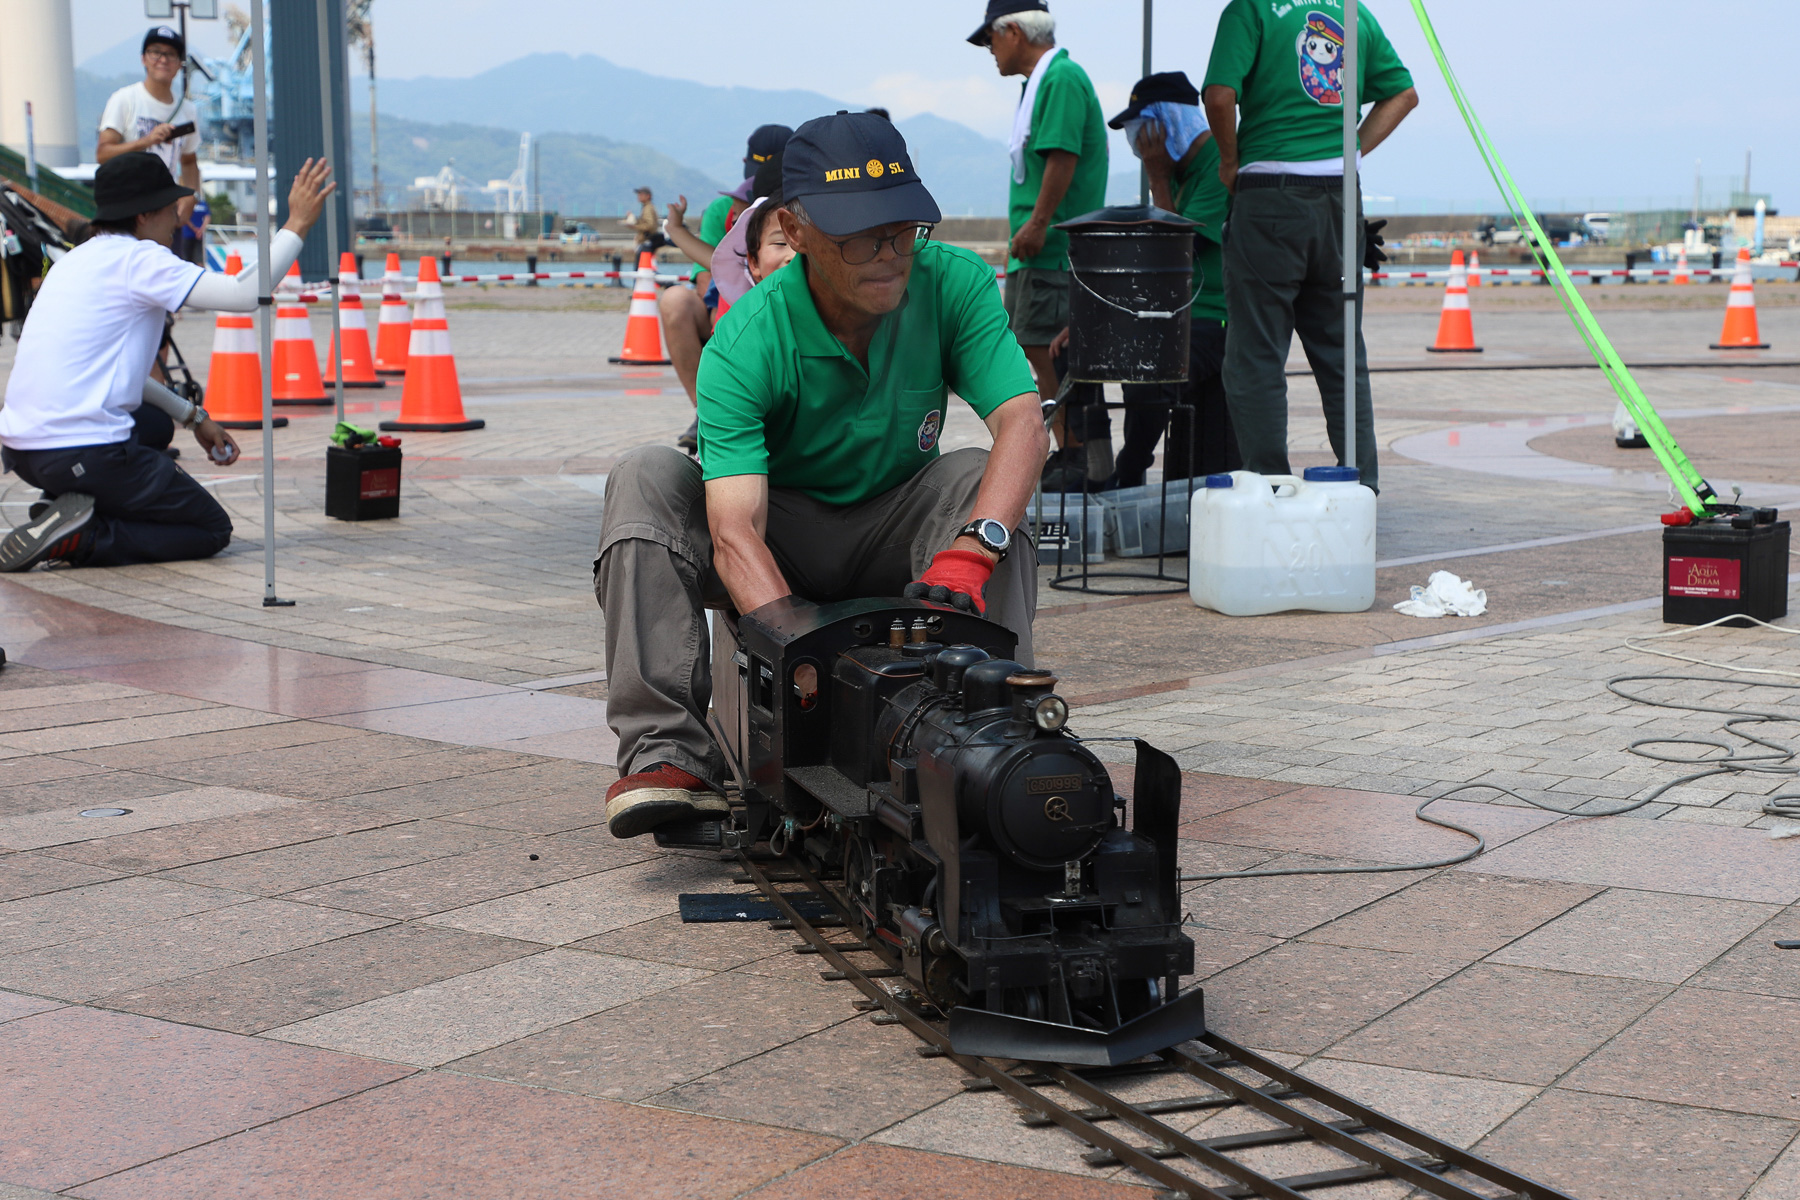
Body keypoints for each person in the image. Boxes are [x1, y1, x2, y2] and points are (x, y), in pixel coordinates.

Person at [594, 112, 1048, 838]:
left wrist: (975, 550)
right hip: (781, 534)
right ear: (795, 231)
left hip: (893, 524)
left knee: (975, 476)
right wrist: (805, 671)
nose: (888, 257)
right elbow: (736, 529)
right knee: (645, 478)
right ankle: (668, 755)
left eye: (902, 232)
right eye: (860, 239)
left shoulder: (953, 284)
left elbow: (1023, 424)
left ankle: (993, 732)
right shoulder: (748, 338)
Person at [0, 152, 337, 571]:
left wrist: (193, 417)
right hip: (80, 451)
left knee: (156, 425)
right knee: (210, 528)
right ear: (143, 216)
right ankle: (85, 537)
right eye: (169, 209)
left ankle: (64, 505)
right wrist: (298, 224)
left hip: (25, 452)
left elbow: (119, 374)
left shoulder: (76, 261)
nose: (178, 221)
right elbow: (243, 295)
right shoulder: (138, 258)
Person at [1202, 1, 1417, 493]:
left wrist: (1230, 162)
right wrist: (1350, 149)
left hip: (1270, 194)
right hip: (1340, 198)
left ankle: (1270, 485)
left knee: (1256, 351)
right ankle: (1359, 486)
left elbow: (1219, 96)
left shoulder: (1251, 9)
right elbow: (1402, 95)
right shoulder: (1352, 11)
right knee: (1342, 352)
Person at [969, 0, 1108, 488]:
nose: (990, 51)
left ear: (1013, 32)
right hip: (1041, 244)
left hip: (1053, 245)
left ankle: (1075, 450)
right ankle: (1079, 451)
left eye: (990, 39)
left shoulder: (1061, 78)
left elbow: (1062, 156)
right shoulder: (1040, 82)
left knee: (1045, 344)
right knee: (1036, 341)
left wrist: (1039, 223)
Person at [1107, 71, 1241, 487]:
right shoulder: (1183, 173)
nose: (1139, 144)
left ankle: (1129, 472)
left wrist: (1157, 177)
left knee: (1149, 367)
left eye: (1144, 131)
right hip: (1182, 316)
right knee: (1080, 349)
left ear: (1170, 123)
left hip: (1215, 319)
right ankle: (1086, 459)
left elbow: (1176, 256)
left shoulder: (1218, 168)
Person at [659, 169, 794, 455]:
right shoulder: (741, 315)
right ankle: (705, 415)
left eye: (798, 245)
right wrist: (675, 229)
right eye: (780, 243)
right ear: (752, 261)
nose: (791, 255)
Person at [97, 26, 201, 225]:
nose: (163, 59)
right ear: (143, 58)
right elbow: (103, 154)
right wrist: (146, 141)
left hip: (164, 214)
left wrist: (191, 197)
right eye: (155, 52)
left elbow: (189, 161)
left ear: (180, 64)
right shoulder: (125, 99)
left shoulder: (188, 110)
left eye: (170, 54)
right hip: (126, 212)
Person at [621, 186, 665, 253]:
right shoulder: (647, 207)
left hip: (646, 241)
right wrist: (634, 219)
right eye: (638, 194)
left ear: (648, 196)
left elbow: (649, 225)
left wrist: (634, 226)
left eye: (641, 194)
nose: (639, 196)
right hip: (646, 241)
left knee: (643, 261)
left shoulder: (648, 208)